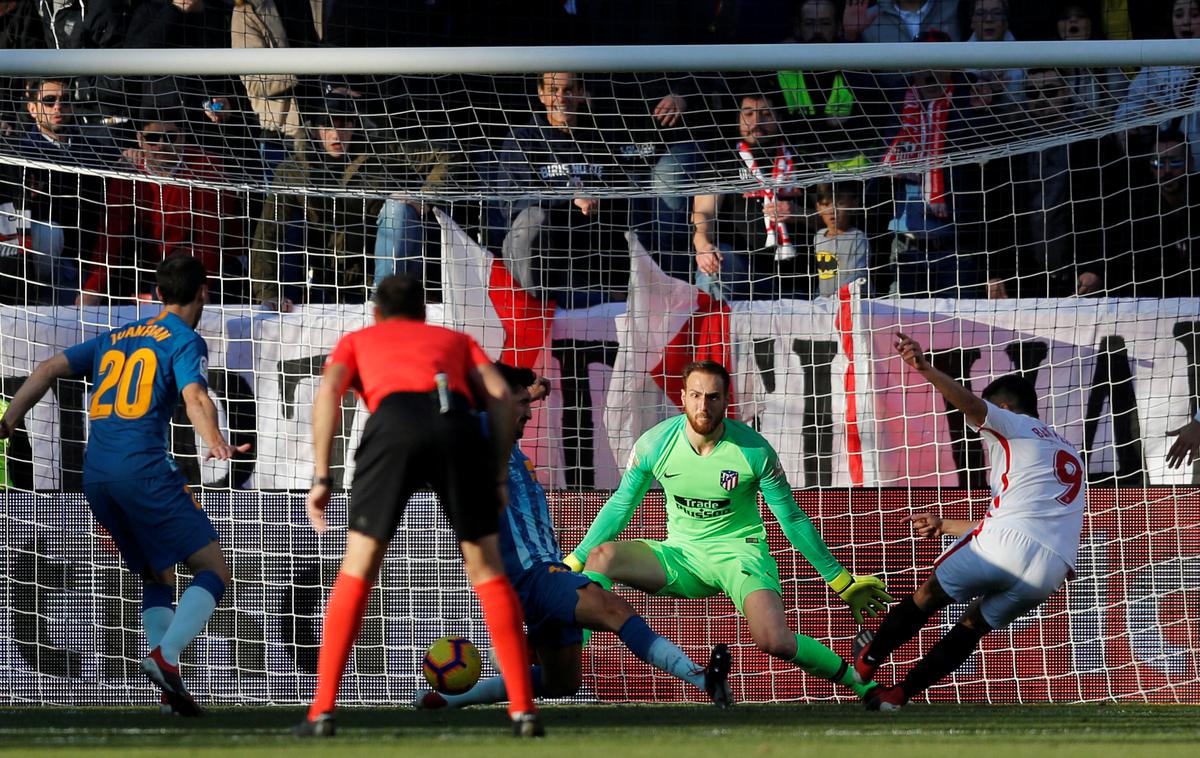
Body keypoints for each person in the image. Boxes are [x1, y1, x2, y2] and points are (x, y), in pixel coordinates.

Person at [0, 254, 248, 717]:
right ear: (203, 293)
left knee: (158, 574)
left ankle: (167, 696)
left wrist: (10, 419)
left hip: (96, 476)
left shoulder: (117, 337)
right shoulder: (184, 340)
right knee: (214, 567)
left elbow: (48, 368)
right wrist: (215, 439)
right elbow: (195, 396)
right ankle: (166, 658)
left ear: (156, 294)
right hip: (143, 470)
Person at [297, 274, 541, 738]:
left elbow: (328, 391)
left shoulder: (357, 341)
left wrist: (321, 476)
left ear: (376, 313)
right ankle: (524, 712)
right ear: (424, 314)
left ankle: (322, 711)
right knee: (486, 569)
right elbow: (503, 395)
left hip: (394, 425)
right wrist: (495, 473)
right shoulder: (455, 340)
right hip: (457, 428)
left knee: (359, 566)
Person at [562, 360, 891, 699]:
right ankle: (567, 661)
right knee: (600, 558)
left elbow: (791, 518)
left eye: (713, 397)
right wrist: (575, 559)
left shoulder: (754, 451)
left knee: (774, 640)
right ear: (683, 397)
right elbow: (620, 506)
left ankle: (859, 682)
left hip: (739, 555)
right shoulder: (653, 444)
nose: (703, 406)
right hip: (681, 556)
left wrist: (839, 579)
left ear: (726, 400)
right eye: (696, 395)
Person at [414, 363, 733, 712]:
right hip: (534, 577)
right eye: (520, 404)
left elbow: (508, 406)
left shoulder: (507, 441)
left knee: (562, 683)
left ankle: (446, 700)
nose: (528, 413)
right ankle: (702, 678)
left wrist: (529, 392)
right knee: (614, 610)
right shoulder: (482, 440)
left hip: (545, 572)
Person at [853, 333, 1086, 710]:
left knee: (928, 596)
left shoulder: (1011, 425)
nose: (981, 434)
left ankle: (868, 661)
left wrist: (926, 369)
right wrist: (945, 525)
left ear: (1006, 408)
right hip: (1051, 568)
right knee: (971, 627)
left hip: (1006, 545)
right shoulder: (1066, 447)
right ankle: (898, 696)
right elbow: (1021, 524)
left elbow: (971, 404)